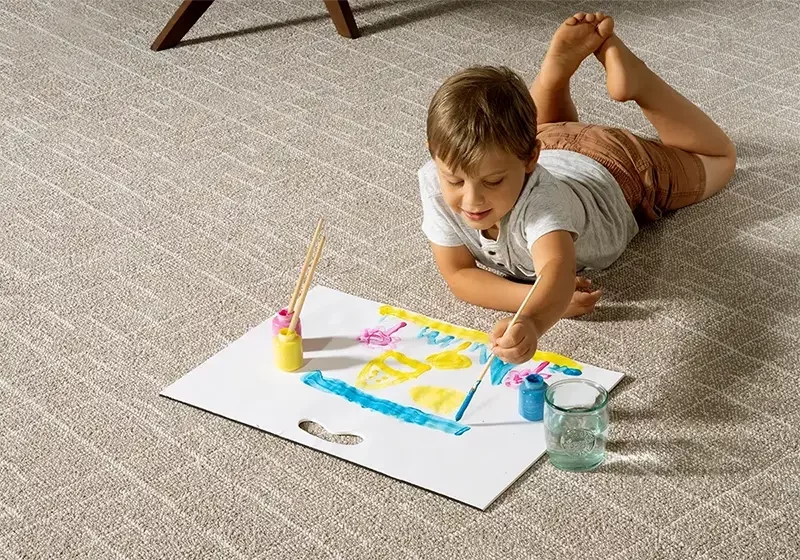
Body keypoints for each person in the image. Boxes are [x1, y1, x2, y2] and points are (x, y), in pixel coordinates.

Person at [418, 12, 736, 364]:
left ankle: (641, 83)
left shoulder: (542, 202)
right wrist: (536, 299)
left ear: (529, 162)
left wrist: (535, 318)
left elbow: (556, 266)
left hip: (623, 168)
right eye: (454, 180)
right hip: (551, 140)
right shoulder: (436, 178)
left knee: (719, 158)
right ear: (435, 158)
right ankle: (554, 74)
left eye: (492, 183)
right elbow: (458, 274)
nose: (472, 199)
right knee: (542, 129)